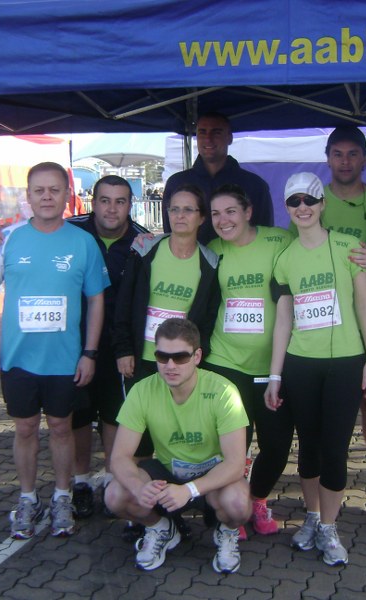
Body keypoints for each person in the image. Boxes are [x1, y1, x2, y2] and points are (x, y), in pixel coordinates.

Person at [0, 175, 151, 518]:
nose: (112, 209)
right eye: (104, 200)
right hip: (72, 346)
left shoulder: (143, 241)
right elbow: (38, 224)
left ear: (130, 205)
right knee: (77, 418)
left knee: (114, 415)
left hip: (119, 346)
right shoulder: (76, 229)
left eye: (120, 201)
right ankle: (80, 483)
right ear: (92, 202)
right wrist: (1, 233)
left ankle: (112, 481)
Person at [0, 161, 109, 539]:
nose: (47, 196)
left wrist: (90, 352)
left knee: (62, 428)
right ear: (28, 196)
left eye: (54, 190)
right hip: (18, 358)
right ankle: (28, 498)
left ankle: (63, 497)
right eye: (39, 190)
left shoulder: (83, 242)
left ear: (67, 195)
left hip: (64, 359)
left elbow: (96, 299)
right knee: (25, 428)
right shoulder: (9, 238)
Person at [265, 172, 366, 566]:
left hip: (346, 363)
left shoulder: (349, 247)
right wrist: (275, 375)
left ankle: (330, 527)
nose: (303, 208)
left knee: (335, 449)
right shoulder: (285, 259)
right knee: (309, 448)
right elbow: (283, 321)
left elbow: (364, 304)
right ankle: (313, 517)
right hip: (301, 366)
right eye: (294, 201)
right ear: (286, 208)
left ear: (322, 204)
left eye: (309, 200)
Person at [105, 318, 251, 573]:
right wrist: (139, 488)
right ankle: (160, 528)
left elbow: (236, 464)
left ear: (197, 356)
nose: (170, 365)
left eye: (180, 357)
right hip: (167, 475)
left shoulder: (224, 391)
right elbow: (119, 457)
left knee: (238, 503)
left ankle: (227, 532)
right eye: (162, 357)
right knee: (115, 495)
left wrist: (189, 490)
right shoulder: (142, 390)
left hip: (211, 478)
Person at [204, 184, 294, 536]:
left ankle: (256, 498)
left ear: (248, 212)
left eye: (231, 211)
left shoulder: (278, 240)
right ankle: (232, 509)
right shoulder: (212, 249)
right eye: (216, 214)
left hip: (273, 366)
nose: (223, 220)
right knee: (232, 447)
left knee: (277, 445)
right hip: (225, 362)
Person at [319, 125, 366, 521]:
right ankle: (322, 482)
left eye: (353, 154)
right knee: (323, 406)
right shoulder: (313, 200)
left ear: (365, 159)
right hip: (322, 321)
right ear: (327, 158)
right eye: (338, 153)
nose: (345, 161)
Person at [112, 184, 221, 457]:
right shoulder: (146, 250)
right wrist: (123, 349)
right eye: (174, 209)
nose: (180, 216)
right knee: (140, 437)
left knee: (176, 431)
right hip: (142, 359)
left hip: (181, 363)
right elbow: (124, 304)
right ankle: (138, 482)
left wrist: (197, 356)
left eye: (188, 210)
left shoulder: (209, 262)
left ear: (202, 217)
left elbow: (207, 318)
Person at [162, 112, 274, 244]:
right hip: (190, 257)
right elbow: (170, 234)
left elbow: (264, 234)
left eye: (216, 132)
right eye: (202, 132)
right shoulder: (176, 183)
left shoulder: (254, 185)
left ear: (229, 138)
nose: (208, 139)